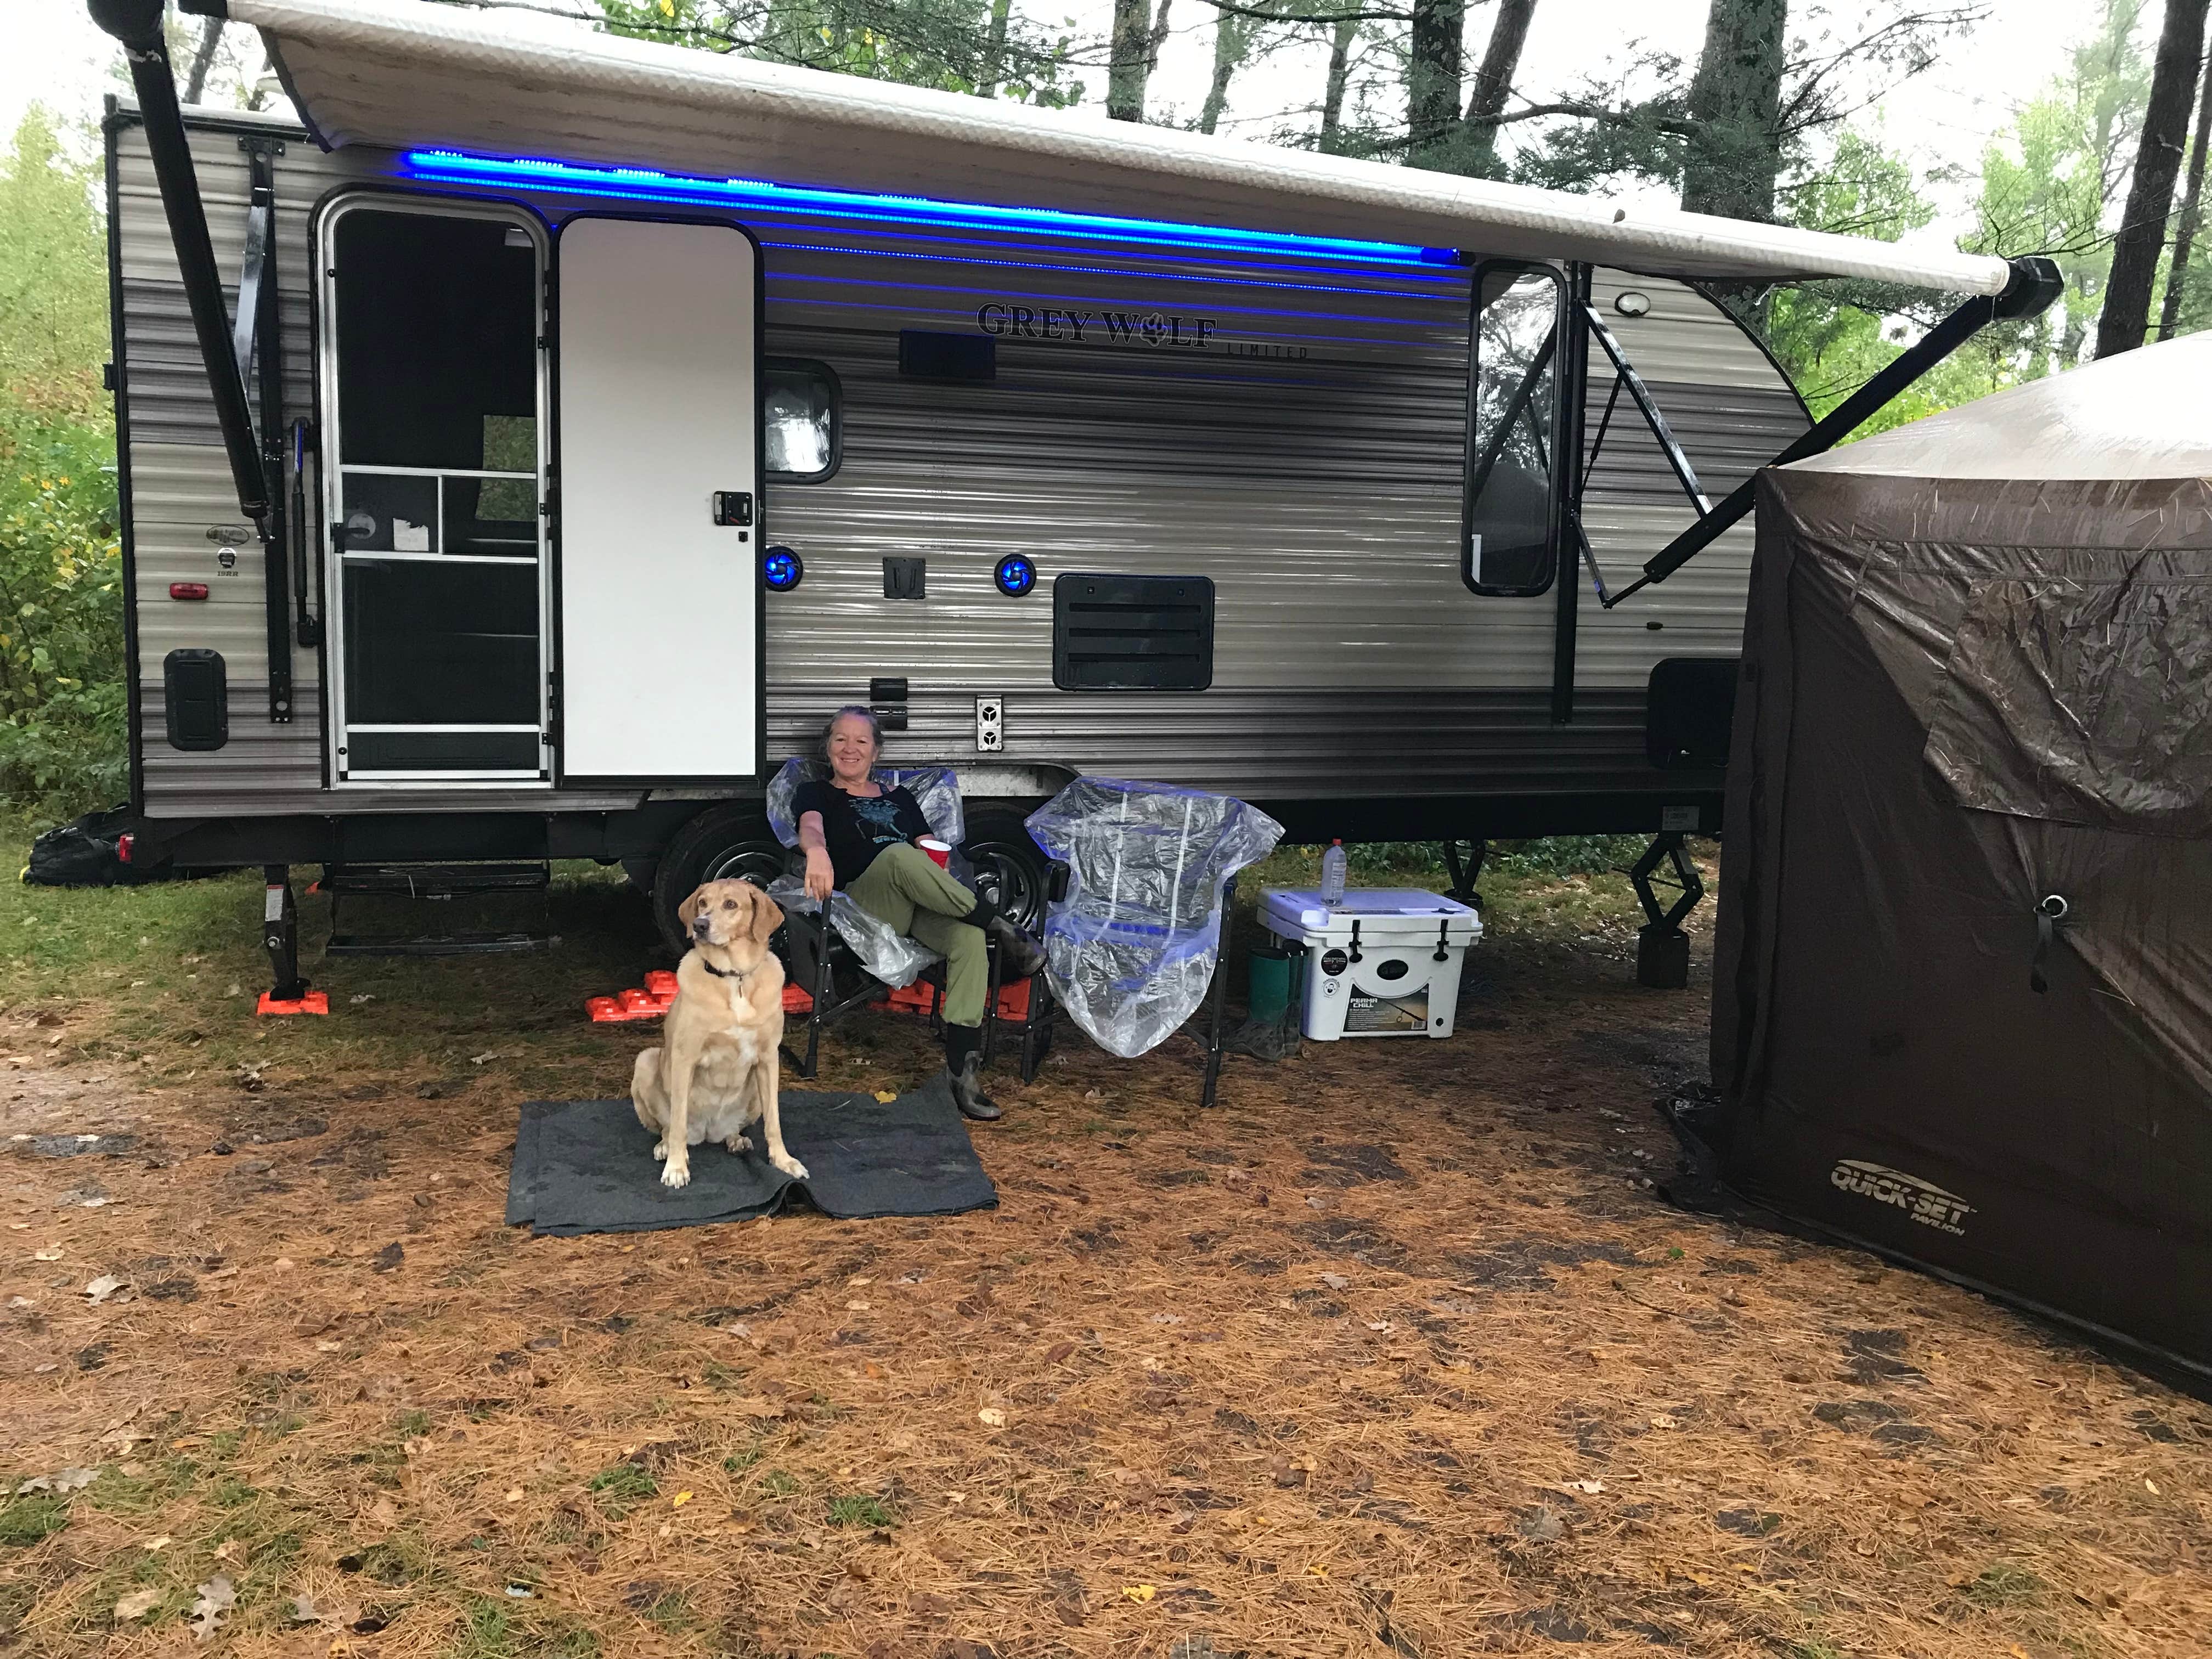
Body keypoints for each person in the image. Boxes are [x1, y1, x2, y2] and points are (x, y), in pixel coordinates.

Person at [795, 706, 1046, 1121]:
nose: (850, 748)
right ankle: (1001, 926)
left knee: (967, 941)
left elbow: (929, 846)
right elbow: (811, 827)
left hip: (916, 903)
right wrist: (817, 851)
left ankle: (962, 1074)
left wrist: (936, 869)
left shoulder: (901, 798)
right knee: (897, 855)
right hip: (866, 904)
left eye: (862, 741)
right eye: (841, 739)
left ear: (876, 752)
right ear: (827, 747)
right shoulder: (818, 794)